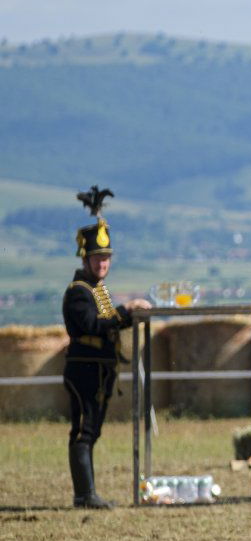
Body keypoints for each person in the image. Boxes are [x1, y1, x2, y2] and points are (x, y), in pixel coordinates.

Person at [62, 187, 151, 509]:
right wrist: (125, 313)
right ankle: (84, 495)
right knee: (83, 432)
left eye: (106, 258)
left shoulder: (98, 291)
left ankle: (87, 493)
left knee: (92, 431)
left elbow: (111, 320)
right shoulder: (79, 292)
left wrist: (132, 314)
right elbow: (93, 325)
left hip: (100, 369)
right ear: (85, 258)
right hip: (84, 370)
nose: (103, 263)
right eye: (98, 258)